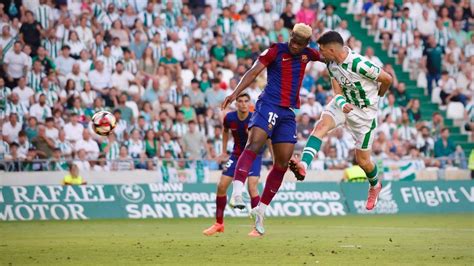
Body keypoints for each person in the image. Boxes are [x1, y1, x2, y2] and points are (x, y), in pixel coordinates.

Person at [221, 23, 322, 236]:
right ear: (291, 35)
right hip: (268, 104)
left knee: (283, 163)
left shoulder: (308, 54)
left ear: (306, 44)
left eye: (299, 43)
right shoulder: (276, 50)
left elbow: (332, 58)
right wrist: (235, 92)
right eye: (292, 40)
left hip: (287, 113)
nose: (294, 45)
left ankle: (261, 211)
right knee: (255, 144)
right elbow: (253, 71)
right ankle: (237, 193)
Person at [289, 31, 393, 211]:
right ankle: (303, 165)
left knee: (363, 161)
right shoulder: (331, 62)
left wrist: (379, 94)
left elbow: (387, 79)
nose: (321, 54)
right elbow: (336, 87)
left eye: (322, 50)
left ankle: (375, 185)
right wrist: (340, 101)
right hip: (343, 104)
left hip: (364, 114)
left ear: (331, 49)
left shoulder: (359, 64)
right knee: (320, 127)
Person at [203, 93, 266, 237]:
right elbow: (225, 131)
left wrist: (274, 157)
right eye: (240, 101)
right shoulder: (229, 118)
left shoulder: (255, 118)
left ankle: (258, 226)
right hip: (237, 154)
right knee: (221, 186)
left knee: (252, 187)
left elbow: (266, 138)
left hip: (253, 154)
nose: (243, 104)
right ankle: (219, 224)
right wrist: (224, 151)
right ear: (236, 103)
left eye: (246, 101)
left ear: (249, 103)